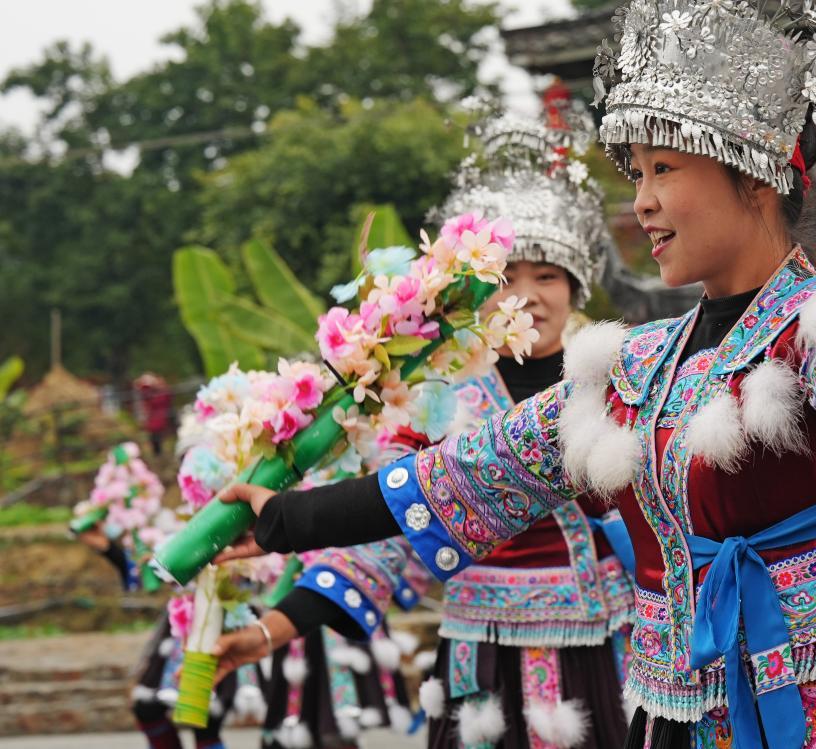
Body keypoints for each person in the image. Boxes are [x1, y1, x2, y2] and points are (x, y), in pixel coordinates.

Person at [217, 3, 816, 747]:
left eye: (665, 169)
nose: (643, 203)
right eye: (637, 175)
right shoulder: (630, 365)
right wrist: (285, 516)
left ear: (757, 174)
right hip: (676, 710)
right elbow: (460, 477)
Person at [214, 109, 636, 749]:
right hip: (482, 665)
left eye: (547, 276)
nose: (526, 296)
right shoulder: (443, 401)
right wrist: (270, 628)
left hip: (606, 652)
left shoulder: (615, 381)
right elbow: (384, 533)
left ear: (575, 291)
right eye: (506, 279)